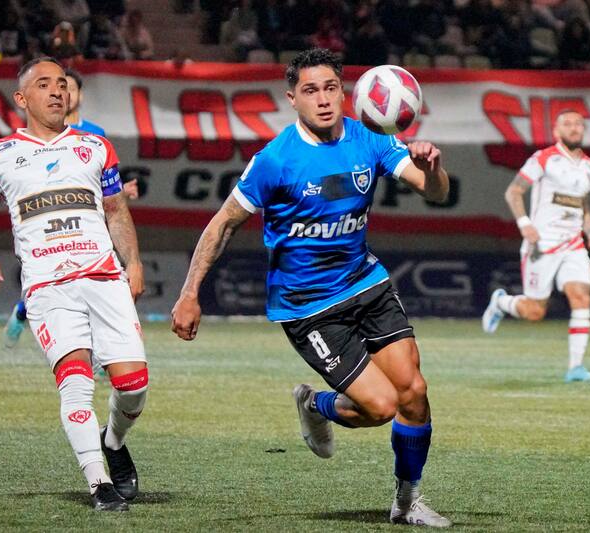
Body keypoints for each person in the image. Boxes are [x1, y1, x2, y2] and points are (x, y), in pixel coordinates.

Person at [171, 48, 452, 528]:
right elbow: (222, 225)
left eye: (330, 88)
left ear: (345, 93)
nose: (323, 100)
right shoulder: (276, 160)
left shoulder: (370, 138)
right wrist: (190, 292)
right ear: (292, 99)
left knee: (415, 392)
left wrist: (430, 164)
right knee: (381, 407)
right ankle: (314, 403)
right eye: (310, 91)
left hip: (367, 283)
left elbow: (436, 192)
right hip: (309, 307)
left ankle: (407, 504)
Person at [0, 57, 147, 511]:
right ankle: (99, 483)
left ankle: (114, 442)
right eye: (43, 84)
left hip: (105, 279)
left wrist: (135, 262)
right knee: (75, 383)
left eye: (61, 83)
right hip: (48, 287)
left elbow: (115, 210)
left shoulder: (95, 146)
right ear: (22, 99)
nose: (56, 91)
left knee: (134, 387)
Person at [3, 67, 139, 347]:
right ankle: (22, 311)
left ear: (78, 95)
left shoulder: (95, 134)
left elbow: (102, 181)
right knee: (54, 281)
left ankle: (101, 354)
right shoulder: (40, 134)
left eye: (69, 88)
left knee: (94, 284)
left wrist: (123, 191)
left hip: (91, 224)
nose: (63, 93)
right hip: (52, 224)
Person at [482, 110, 590, 383]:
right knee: (536, 312)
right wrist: (525, 223)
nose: (574, 128)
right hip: (542, 244)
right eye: (568, 124)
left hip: (573, 244)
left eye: (579, 124)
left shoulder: (589, 166)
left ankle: (576, 368)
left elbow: (582, 203)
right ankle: (501, 302)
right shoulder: (543, 158)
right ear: (557, 131)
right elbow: (513, 191)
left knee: (581, 296)